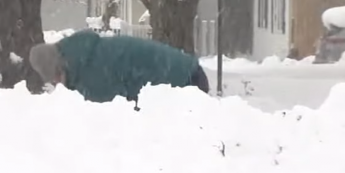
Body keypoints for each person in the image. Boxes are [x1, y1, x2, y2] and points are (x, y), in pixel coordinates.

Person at [29, 30, 210, 110]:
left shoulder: (92, 71)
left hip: (186, 80)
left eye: (55, 78)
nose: (58, 83)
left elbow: (110, 117)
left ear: (60, 66)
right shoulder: (85, 52)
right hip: (187, 70)